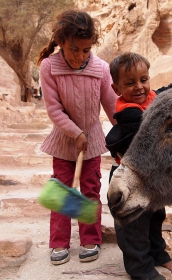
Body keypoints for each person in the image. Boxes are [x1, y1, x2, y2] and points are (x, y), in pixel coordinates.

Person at [37, 10, 117, 265]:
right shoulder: (49, 67)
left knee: (90, 190)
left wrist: (124, 136)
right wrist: (75, 132)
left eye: (86, 50)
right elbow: (54, 109)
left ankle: (90, 239)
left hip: (91, 143)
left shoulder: (101, 68)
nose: (81, 56)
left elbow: (112, 107)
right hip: (64, 142)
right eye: (75, 49)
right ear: (61, 41)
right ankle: (59, 243)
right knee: (62, 192)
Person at [106, 52, 172, 280]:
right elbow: (150, 141)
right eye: (130, 83)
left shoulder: (148, 96)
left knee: (155, 216)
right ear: (116, 88)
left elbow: (162, 92)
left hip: (151, 178)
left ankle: (157, 254)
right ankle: (139, 268)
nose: (139, 87)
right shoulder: (129, 114)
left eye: (144, 79)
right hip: (130, 181)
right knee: (134, 224)